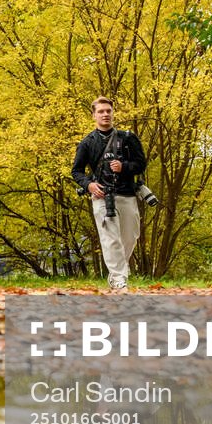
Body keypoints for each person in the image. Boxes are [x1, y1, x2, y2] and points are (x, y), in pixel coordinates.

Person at [70, 97, 147, 292]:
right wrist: (89, 185)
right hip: (103, 197)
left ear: (113, 113)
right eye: (101, 111)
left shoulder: (128, 138)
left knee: (130, 237)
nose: (105, 114)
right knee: (110, 239)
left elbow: (141, 164)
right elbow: (76, 171)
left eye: (108, 111)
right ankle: (120, 279)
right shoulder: (87, 143)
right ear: (94, 115)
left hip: (128, 194)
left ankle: (117, 273)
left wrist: (124, 167)